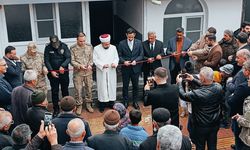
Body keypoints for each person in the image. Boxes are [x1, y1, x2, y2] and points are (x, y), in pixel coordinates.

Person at [177, 66, 223, 150]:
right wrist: (193, 79)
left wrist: (179, 83)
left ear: (203, 80)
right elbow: (207, 86)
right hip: (214, 122)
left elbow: (183, 95)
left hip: (201, 125)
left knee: (200, 146)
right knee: (212, 145)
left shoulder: (196, 93)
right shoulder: (218, 87)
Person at [44, 35, 71, 117]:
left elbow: (68, 58)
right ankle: (56, 109)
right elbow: (46, 60)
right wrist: (51, 71)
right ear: (51, 42)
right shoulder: (48, 47)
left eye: (56, 42)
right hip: (53, 74)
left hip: (63, 73)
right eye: (53, 43)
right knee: (54, 91)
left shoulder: (64, 46)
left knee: (65, 91)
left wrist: (63, 65)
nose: (55, 44)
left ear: (58, 41)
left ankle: (66, 108)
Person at [118, 27, 144, 109]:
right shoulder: (121, 43)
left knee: (135, 86)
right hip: (125, 69)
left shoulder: (139, 43)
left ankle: (135, 102)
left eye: (132, 37)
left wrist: (136, 61)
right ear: (126, 35)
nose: (130, 38)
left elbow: (141, 55)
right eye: (129, 37)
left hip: (135, 68)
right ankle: (125, 102)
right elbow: (119, 56)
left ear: (134, 35)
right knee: (125, 86)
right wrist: (123, 62)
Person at [93, 34, 119, 112]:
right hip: (102, 71)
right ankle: (102, 105)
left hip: (111, 70)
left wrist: (115, 63)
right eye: (106, 44)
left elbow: (116, 58)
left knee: (111, 87)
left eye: (108, 43)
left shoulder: (113, 48)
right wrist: (102, 65)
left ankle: (111, 103)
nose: (108, 45)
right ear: (102, 43)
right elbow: (95, 60)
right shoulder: (96, 48)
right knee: (102, 87)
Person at [228, 60, 250, 150]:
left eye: (243, 68)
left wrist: (232, 96)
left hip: (241, 117)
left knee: (240, 137)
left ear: (248, 71)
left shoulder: (243, 87)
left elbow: (231, 101)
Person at [71, 32, 94, 114]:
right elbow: (72, 61)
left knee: (89, 88)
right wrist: (79, 65)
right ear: (77, 40)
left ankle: (88, 104)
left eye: (84, 41)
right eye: (80, 41)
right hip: (78, 73)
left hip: (88, 72)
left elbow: (92, 58)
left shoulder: (89, 46)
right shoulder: (73, 48)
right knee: (78, 90)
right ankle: (79, 105)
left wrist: (90, 64)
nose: (82, 43)